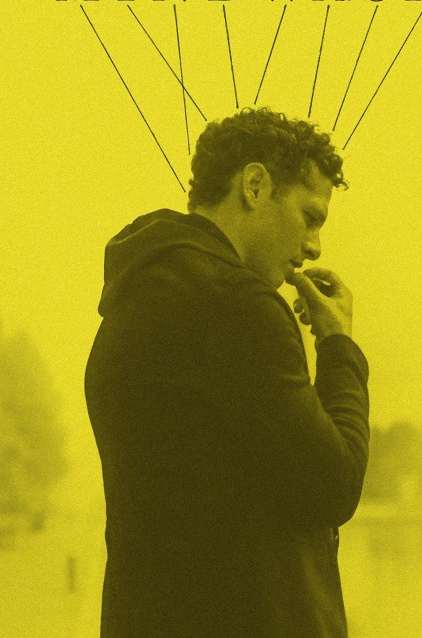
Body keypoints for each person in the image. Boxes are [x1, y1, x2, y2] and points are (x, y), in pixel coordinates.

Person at [85, 107, 370, 637]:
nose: (314, 247)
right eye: (310, 216)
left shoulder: (132, 298)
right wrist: (339, 347)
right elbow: (334, 487)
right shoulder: (239, 305)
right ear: (255, 185)